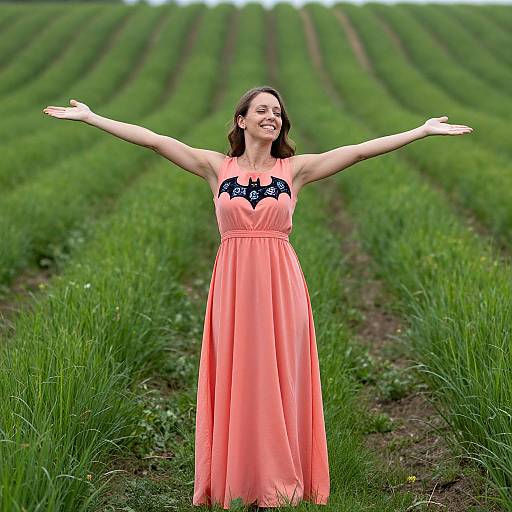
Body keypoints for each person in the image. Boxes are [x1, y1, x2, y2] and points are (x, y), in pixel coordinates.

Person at [42, 87, 472, 510]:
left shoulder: (295, 170)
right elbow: (156, 140)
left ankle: (279, 483)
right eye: (262, 110)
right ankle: (240, 479)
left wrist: (420, 131)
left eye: (278, 112)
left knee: (280, 373)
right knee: (238, 373)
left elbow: (358, 150)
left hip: (280, 283)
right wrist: (92, 118)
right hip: (232, 282)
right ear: (241, 120)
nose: (273, 116)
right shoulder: (217, 167)